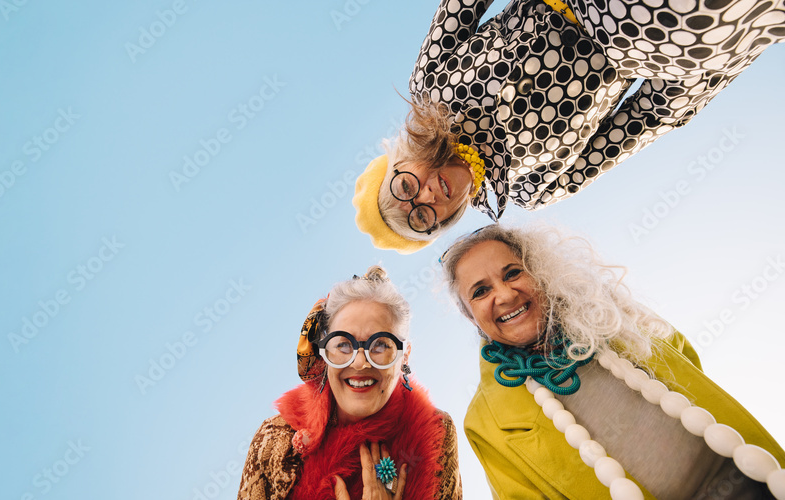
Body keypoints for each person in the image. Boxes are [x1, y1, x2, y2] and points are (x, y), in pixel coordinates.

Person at [353, 0, 785, 254]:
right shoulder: (535, 187)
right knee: (697, 27)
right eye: (423, 217)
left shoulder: (429, 86)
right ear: (445, 221)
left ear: (399, 163)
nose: (425, 195)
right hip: (641, 45)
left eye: (405, 188)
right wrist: (702, 65)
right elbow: (640, 121)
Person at [438, 224, 785, 499]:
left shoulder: (613, 320)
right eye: (480, 291)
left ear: (538, 273)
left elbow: (686, 361)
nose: (504, 294)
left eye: (513, 273)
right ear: (471, 317)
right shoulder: (483, 423)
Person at [237, 266, 463, 500]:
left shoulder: (436, 434)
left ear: (404, 355)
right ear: (324, 354)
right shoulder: (275, 438)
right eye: (343, 344)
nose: (360, 362)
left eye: (380, 345)